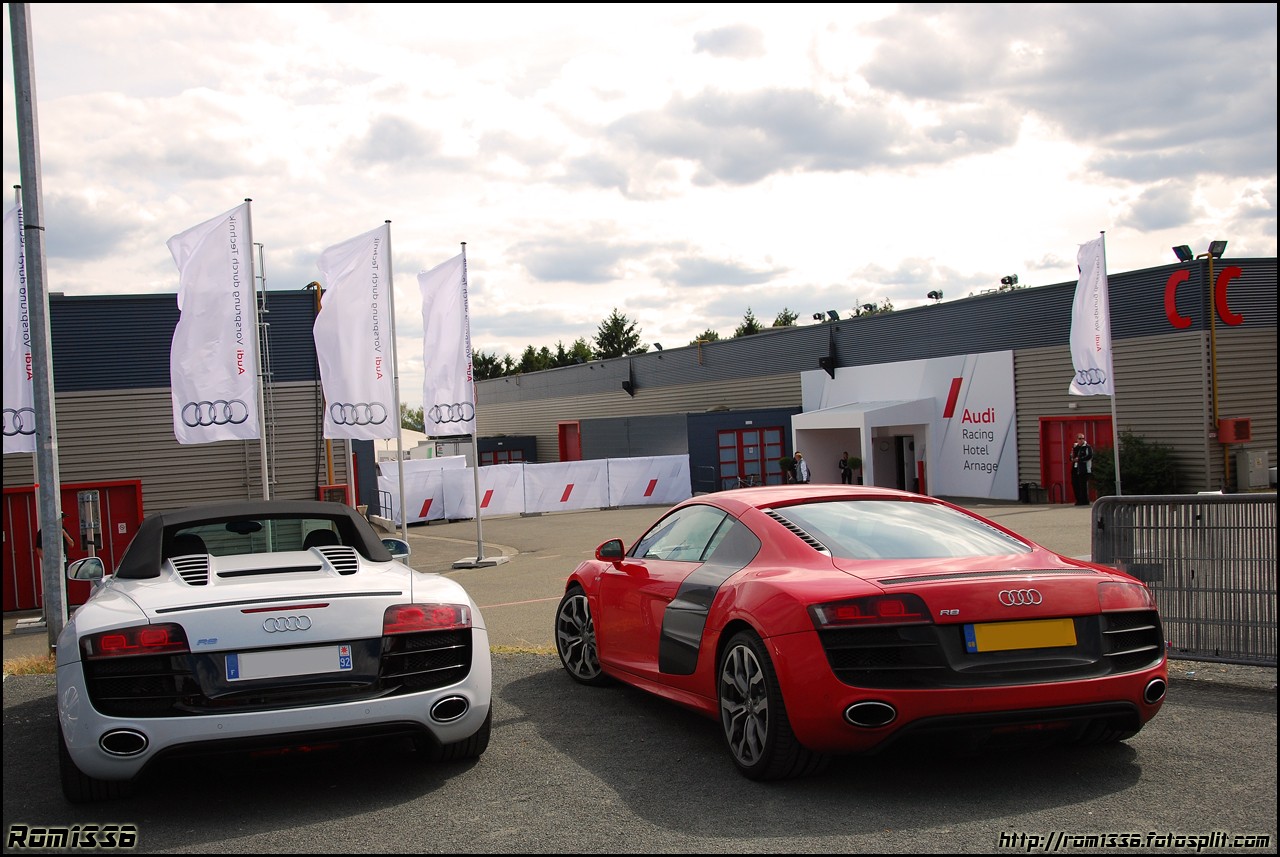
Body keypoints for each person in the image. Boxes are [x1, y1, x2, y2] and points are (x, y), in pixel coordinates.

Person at [1070, 434, 1093, 506]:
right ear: (1077, 439)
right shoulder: (1075, 447)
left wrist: (1079, 459)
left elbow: (1089, 456)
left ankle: (1085, 501)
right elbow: (1071, 456)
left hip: (1084, 469)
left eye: (1082, 438)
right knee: (1075, 484)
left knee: (1083, 485)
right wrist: (1072, 458)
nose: (1081, 440)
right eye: (1079, 439)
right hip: (1075, 468)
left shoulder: (1087, 447)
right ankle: (1078, 500)